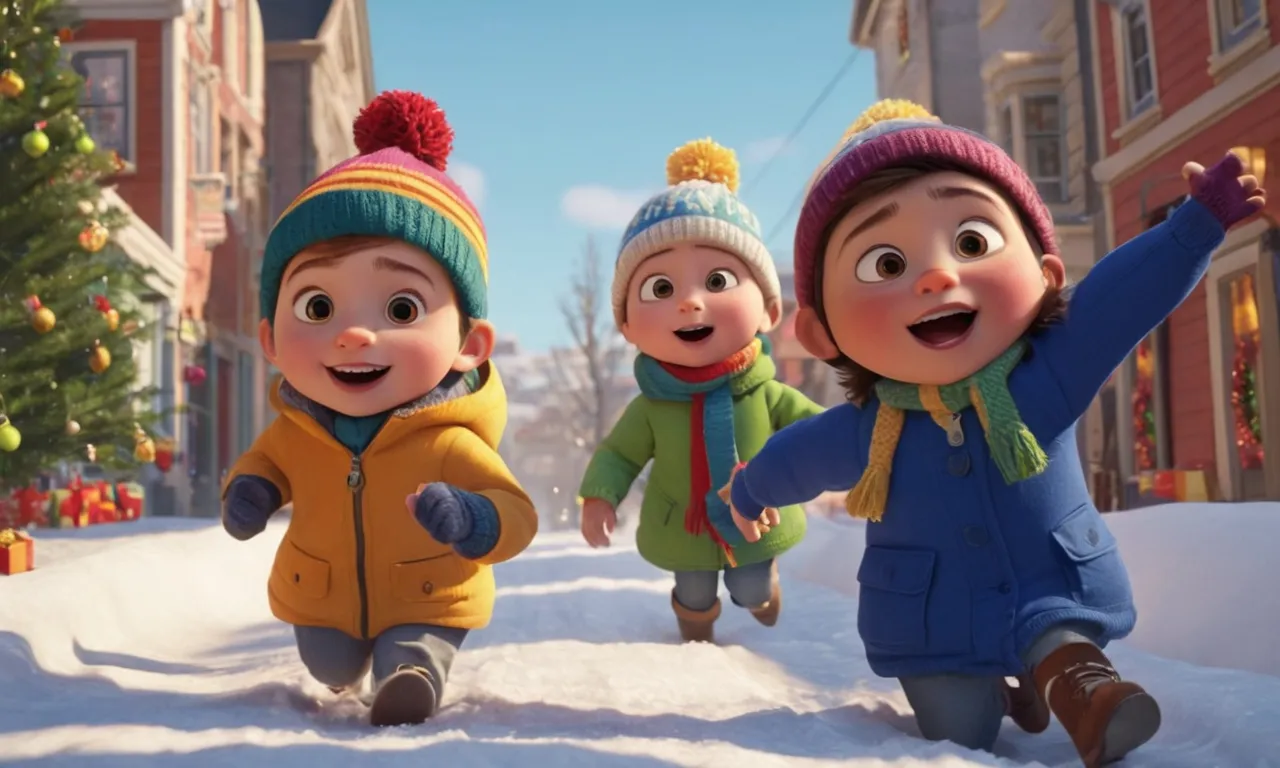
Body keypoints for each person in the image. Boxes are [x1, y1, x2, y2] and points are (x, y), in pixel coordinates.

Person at [725, 100, 1265, 766]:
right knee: (962, 734)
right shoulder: (867, 432)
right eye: (884, 266)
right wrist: (750, 492)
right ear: (821, 333)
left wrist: (1196, 226)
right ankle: (1009, 697)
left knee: (1065, 646)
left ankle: (1084, 695)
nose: (936, 275)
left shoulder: (1046, 380)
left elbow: (1118, 301)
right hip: (931, 623)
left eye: (972, 241)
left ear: (1045, 274)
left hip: (1047, 584)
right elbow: (796, 458)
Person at [219, 90, 538, 727]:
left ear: (469, 346)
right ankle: (355, 664)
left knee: (412, 645)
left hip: (428, 591)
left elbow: (516, 514)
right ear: (271, 341)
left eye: (400, 310)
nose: (354, 335)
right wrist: (249, 489)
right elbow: (264, 462)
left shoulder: (448, 440)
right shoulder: (294, 430)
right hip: (323, 595)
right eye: (317, 307)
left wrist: (472, 517)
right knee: (330, 664)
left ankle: (416, 670)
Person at [578, 138, 824, 643]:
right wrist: (600, 495)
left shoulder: (765, 392)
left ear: (768, 312)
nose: (689, 303)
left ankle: (760, 592)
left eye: (717, 280)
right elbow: (620, 454)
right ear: (627, 326)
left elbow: (819, 429)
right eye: (660, 290)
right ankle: (695, 624)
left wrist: (861, 450)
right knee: (694, 593)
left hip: (759, 517)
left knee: (751, 585)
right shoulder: (651, 406)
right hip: (682, 525)